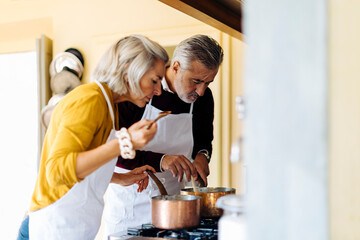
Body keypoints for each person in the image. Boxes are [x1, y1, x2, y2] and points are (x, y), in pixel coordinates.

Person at [17, 34, 169, 240]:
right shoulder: (90, 99)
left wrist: (120, 178)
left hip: (72, 227)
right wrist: (125, 142)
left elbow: (83, 164)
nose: (159, 90)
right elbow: (57, 171)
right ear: (129, 69)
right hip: (52, 227)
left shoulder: (108, 105)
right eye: (155, 80)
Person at [103, 34, 224, 236]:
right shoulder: (137, 91)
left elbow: (204, 140)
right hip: (133, 205)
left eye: (208, 83)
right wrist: (162, 161)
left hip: (177, 208)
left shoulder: (203, 99)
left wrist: (203, 156)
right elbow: (113, 151)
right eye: (196, 81)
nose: (201, 92)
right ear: (175, 67)